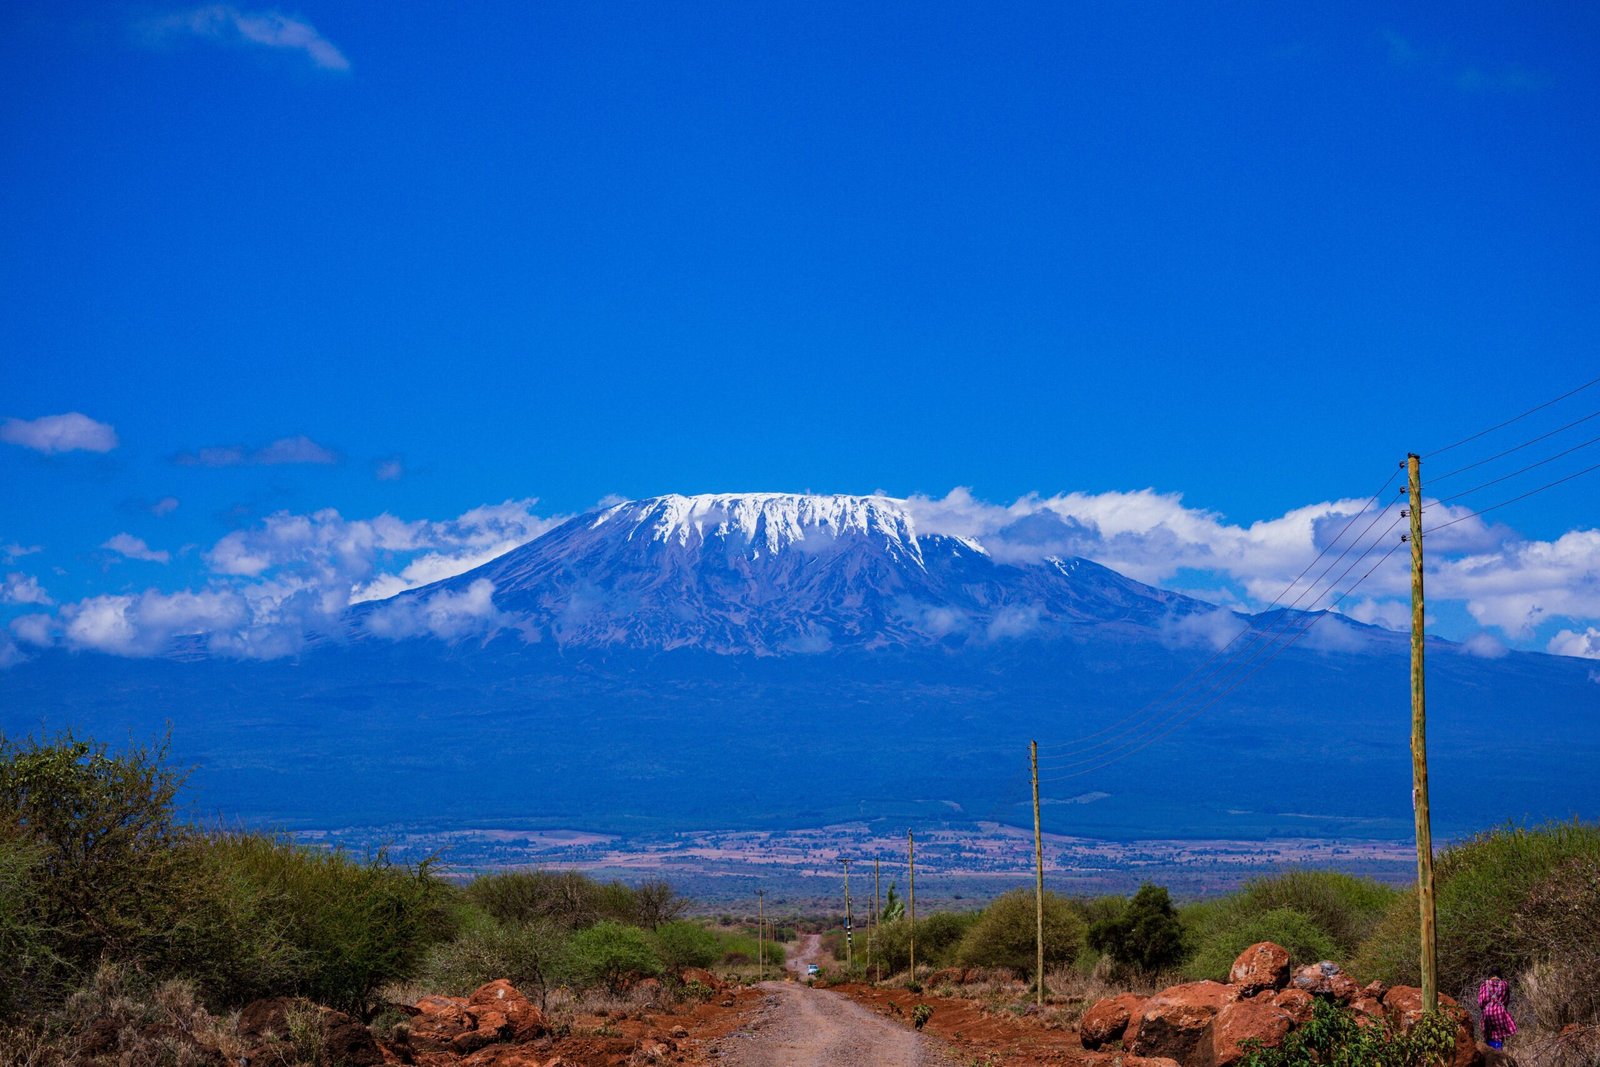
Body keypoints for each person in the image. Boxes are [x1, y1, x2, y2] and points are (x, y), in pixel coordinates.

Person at [1478, 966, 1517, 1051]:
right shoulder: (1504, 984)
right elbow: (1506, 1000)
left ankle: (1492, 1054)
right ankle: (1499, 1052)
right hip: (1500, 1012)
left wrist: (1487, 1007)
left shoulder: (1484, 984)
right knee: (1500, 1035)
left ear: (1490, 974)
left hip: (1488, 1013)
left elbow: (1481, 1002)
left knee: (1489, 1035)